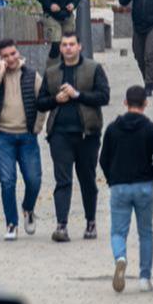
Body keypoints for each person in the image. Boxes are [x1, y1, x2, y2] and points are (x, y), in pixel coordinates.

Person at [37, 32, 111, 243]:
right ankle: (61, 225)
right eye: (64, 45)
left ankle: (90, 222)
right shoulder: (52, 73)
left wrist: (78, 95)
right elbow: (40, 102)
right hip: (59, 133)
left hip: (87, 133)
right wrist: (55, 99)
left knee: (87, 179)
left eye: (72, 44)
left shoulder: (93, 68)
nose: (68, 48)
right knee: (63, 180)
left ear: (80, 47)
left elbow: (104, 96)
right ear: (60, 49)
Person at [100, 85, 153, 293]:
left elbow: (103, 159)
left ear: (125, 103)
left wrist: (112, 178)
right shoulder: (152, 129)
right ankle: (145, 278)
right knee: (145, 232)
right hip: (144, 185)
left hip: (119, 185)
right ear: (146, 103)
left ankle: (120, 257)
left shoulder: (112, 128)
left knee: (118, 231)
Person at [0, 39, 44, 241]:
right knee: (7, 182)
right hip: (3, 136)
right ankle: (11, 223)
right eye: (5, 56)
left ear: (18, 53)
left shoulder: (32, 75)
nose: (10, 58)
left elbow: (43, 101)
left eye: (13, 54)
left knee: (34, 180)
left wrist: (37, 126)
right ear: (0, 58)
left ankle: (28, 208)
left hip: (27, 135)